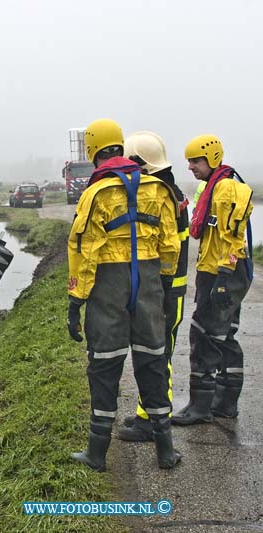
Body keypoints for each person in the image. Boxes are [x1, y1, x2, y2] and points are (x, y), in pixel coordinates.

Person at [67, 118, 181, 471]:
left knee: (104, 367)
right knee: (152, 364)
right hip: (147, 286)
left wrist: (76, 301)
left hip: (108, 290)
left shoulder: (96, 193)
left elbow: (82, 250)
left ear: (92, 150)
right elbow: (170, 246)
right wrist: (161, 286)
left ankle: (97, 453)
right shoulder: (159, 190)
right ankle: (165, 450)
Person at [172, 134, 254, 425]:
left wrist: (223, 277)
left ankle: (201, 407)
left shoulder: (226, 189)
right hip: (215, 270)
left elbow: (235, 237)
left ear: (212, 158)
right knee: (225, 335)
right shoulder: (212, 186)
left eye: (195, 161)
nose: (191, 167)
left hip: (223, 273)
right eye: (189, 162)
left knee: (204, 335)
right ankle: (225, 403)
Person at [118, 131, 190, 441]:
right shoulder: (170, 191)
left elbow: (165, 250)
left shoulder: (162, 195)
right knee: (155, 354)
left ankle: (153, 422)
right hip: (170, 288)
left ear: (140, 164)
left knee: (159, 357)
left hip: (166, 289)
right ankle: (146, 414)